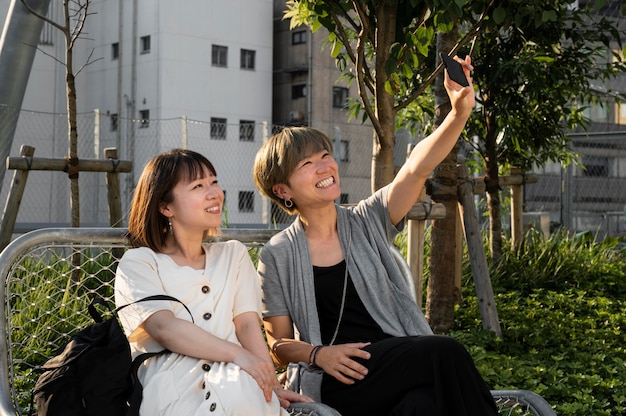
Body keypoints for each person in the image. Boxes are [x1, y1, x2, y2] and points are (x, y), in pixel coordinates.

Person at [253, 56, 499, 416]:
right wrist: (320, 354)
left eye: (325, 156)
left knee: (422, 406)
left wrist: (458, 113)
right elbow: (278, 344)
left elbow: (416, 168)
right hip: (339, 377)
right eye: (307, 164)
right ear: (282, 189)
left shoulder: (366, 220)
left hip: (398, 364)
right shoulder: (277, 254)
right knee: (445, 351)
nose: (325, 167)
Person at [114, 149, 312, 415]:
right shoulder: (139, 263)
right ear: (165, 206)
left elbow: (248, 326)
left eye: (214, 182)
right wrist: (239, 356)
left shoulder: (234, 254)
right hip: (174, 389)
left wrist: (271, 385)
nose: (214, 193)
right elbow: (164, 328)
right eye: (198, 186)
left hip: (239, 382)